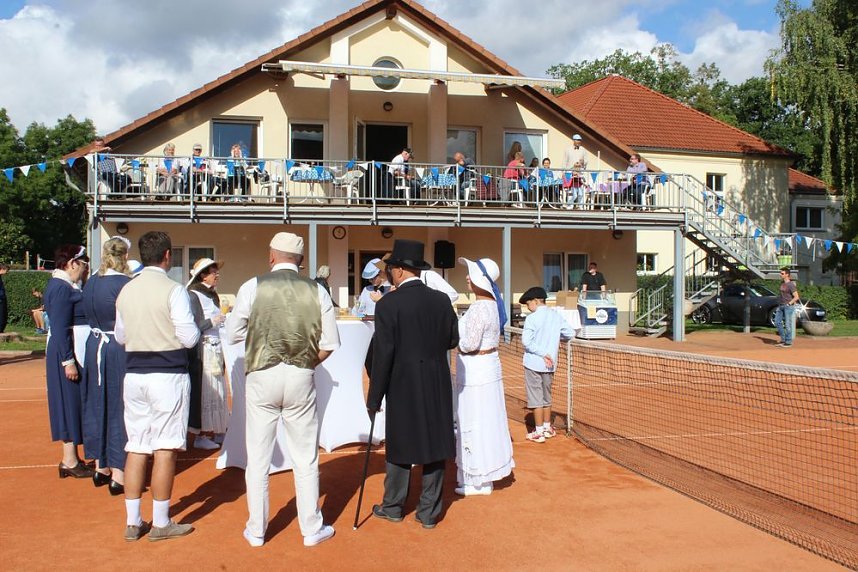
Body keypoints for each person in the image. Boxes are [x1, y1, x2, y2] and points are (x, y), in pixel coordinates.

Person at [225, 232, 339, 548]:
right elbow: (330, 344)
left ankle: (257, 529)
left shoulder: (252, 286)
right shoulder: (317, 289)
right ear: (300, 260)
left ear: (272, 255)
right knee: (305, 457)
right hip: (301, 375)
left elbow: (232, 333)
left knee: (258, 458)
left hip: (262, 374)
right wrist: (304, 363)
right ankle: (311, 528)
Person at [367, 239, 459, 529]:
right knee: (434, 443)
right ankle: (429, 512)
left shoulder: (388, 304)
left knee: (401, 442)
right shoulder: (441, 301)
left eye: (392, 268)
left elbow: (382, 355)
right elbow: (452, 340)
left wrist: (374, 398)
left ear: (401, 271)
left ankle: (394, 506)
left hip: (402, 382)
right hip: (436, 380)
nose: (391, 272)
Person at [115, 231, 200, 542]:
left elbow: (121, 336)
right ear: (167, 256)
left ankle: (133, 521)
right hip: (167, 374)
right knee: (165, 447)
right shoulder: (174, 290)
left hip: (134, 375)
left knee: (136, 445)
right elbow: (189, 337)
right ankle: (161, 522)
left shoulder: (126, 290)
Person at [454, 257, 514, 496]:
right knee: (487, 418)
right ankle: (483, 475)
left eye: (470, 274)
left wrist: (451, 331)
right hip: (487, 366)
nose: (467, 277)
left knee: (474, 419)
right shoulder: (491, 304)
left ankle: (478, 479)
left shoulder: (480, 307)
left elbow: (468, 344)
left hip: (476, 371)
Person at [81, 237, 132, 495]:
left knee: (97, 403)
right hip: (116, 348)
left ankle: (101, 466)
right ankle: (119, 472)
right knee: (119, 406)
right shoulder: (124, 284)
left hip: (94, 346)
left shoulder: (91, 282)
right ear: (125, 256)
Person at [43, 244, 94, 479]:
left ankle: (71, 458)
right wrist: (68, 361)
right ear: (71, 263)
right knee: (68, 403)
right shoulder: (61, 288)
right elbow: (61, 326)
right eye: (83, 264)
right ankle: (69, 460)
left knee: (72, 403)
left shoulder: (64, 285)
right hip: (66, 351)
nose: (85, 269)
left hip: (70, 349)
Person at [519, 287, 574, 442]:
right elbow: (570, 333)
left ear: (536, 301)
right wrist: (554, 341)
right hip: (550, 365)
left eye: (528, 303)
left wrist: (543, 353)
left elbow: (526, 341)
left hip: (534, 363)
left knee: (535, 398)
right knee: (546, 396)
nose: (528, 307)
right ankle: (547, 427)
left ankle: (538, 432)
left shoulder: (532, 318)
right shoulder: (556, 316)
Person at [186, 258, 228, 450]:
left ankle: (217, 429)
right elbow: (194, 326)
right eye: (213, 272)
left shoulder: (213, 295)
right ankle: (201, 434)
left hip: (216, 347)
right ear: (203, 275)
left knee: (218, 389)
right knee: (206, 391)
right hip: (204, 350)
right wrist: (213, 320)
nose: (217, 275)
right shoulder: (194, 295)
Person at [775, 267, 800, 348]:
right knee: (777, 322)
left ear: (787, 275)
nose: (780, 275)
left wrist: (789, 304)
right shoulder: (782, 283)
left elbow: (796, 297)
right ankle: (783, 339)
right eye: (781, 273)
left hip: (788, 306)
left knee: (788, 324)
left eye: (782, 273)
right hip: (781, 305)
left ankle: (788, 341)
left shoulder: (791, 285)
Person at [562, 134, 588, 208]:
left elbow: (586, 161)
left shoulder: (583, 150)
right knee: (571, 191)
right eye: (577, 140)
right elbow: (564, 161)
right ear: (573, 140)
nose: (578, 141)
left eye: (580, 140)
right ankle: (569, 206)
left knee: (580, 191)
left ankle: (581, 206)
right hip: (570, 172)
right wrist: (563, 172)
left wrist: (582, 162)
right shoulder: (568, 149)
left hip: (580, 172)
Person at [0, 262, 7, 333]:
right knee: (2, 314)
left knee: (4, 314)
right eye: (6, 270)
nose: (7, 272)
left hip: (2, 298)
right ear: (2, 269)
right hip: (1, 298)